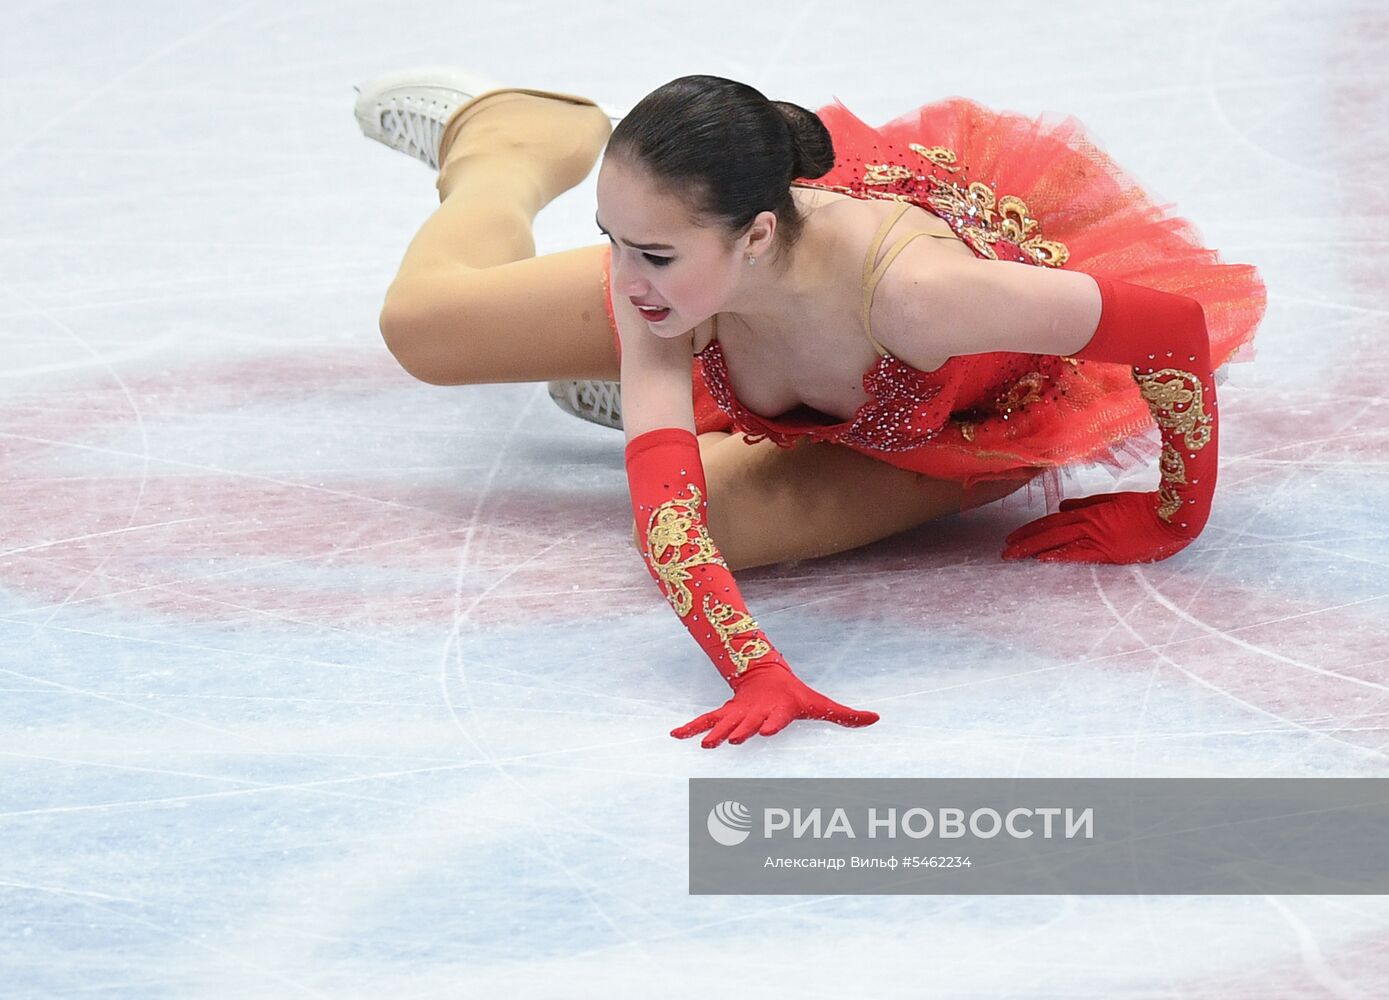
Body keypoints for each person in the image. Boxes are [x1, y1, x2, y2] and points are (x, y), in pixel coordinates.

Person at [355, 69, 1265, 749]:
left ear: (755, 232)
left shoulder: (925, 297)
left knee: (719, 521)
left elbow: (1175, 328)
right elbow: (657, 494)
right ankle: (512, 141)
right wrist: (758, 671)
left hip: (929, 437)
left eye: (655, 254)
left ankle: (694, 401)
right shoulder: (652, 281)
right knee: (421, 330)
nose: (622, 280)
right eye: (611, 241)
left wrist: (1171, 514)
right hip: (737, 310)